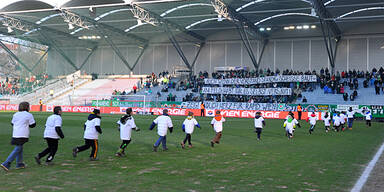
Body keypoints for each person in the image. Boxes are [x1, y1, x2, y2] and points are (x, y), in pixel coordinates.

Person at [1, 102, 36, 172]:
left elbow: (12, 123)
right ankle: (6, 163)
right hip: (23, 134)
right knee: (18, 148)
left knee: (20, 147)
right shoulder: (29, 115)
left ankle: (19, 164)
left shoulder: (15, 114)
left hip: (15, 133)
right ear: (27, 107)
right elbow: (33, 125)